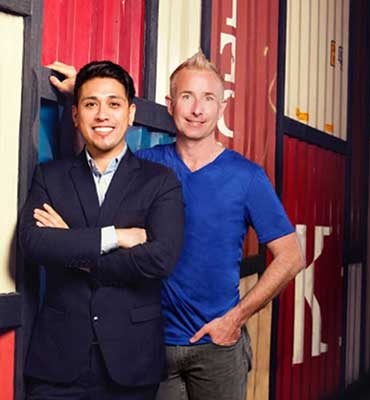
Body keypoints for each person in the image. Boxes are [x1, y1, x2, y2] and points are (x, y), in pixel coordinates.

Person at [46, 52, 305, 400]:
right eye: (187, 97)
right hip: (151, 342)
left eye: (208, 98)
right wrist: (84, 90)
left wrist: (236, 318)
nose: (197, 109)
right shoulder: (146, 166)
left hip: (218, 346)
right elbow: (100, 146)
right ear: (170, 104)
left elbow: (291, 257)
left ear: (221, 107)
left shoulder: (247, 178)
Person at [19, 61, 184, 399]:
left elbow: (160, 259)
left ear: (131, 113)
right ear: (76, 115)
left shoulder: (160, 182)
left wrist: (73, 246)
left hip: (131, 361)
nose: (102, 115)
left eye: (114, 103)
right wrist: (116, 237)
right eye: (91, 104)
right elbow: (34, 244)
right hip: (58, 363)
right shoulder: (50, 177)